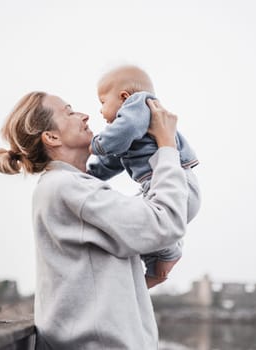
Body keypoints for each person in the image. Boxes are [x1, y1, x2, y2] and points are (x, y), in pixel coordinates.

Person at [0, 91, 189, 349]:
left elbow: (136, 238)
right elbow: (166, 222)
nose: (84, 115)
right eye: (69, 111)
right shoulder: (68, 188)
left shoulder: (66, 187)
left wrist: (158, 258)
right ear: (51, 137)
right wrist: (166, 146)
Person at [88, 65, 201, 287]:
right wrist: (92, 174)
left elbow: (121, 133)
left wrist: (97, 144)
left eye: (102, 103)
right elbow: (113, 160)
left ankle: (170, 250)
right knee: (129, 222)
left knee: (136, 224)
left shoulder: (138, 104)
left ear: (123, 97)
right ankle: (154, 267)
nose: (100, 112)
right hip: (168, 186)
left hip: (178, 185)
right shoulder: (137, 127)